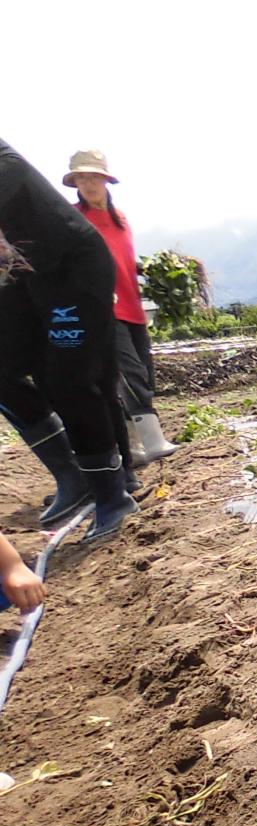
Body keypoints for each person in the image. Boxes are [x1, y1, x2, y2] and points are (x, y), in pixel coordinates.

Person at [0, 138, 135, 542]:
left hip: (72, 267)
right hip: (29, 273)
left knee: (70, 381)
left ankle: (113, 496)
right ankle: (72, 477)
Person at [65, 150, 174, 466]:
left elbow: (120, 260)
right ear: (75, 184)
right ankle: (152, 442)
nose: (88, 183)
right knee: (130, 373)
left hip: (133, 307)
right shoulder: (72, 219)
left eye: (93, 176)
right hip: (103, 310)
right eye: (82, 178)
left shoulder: (120, 219)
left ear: (105, 180)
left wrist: (148, 270)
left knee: (142, 372)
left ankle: (133, 446)